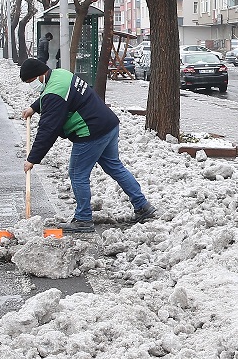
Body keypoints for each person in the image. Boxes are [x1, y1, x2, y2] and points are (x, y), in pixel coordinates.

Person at [20, 58, 156, 233]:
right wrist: (34, 107)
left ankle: (83, 219)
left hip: (91, 132)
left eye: (31, 81)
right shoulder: (60, 74)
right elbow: (52, 96)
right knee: (115, 166)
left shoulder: (53, 93)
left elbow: (48, 129)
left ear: (40, 75)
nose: (32, 86)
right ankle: (142, 205)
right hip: (107, 124)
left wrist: (32, 158)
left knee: (77, 173)